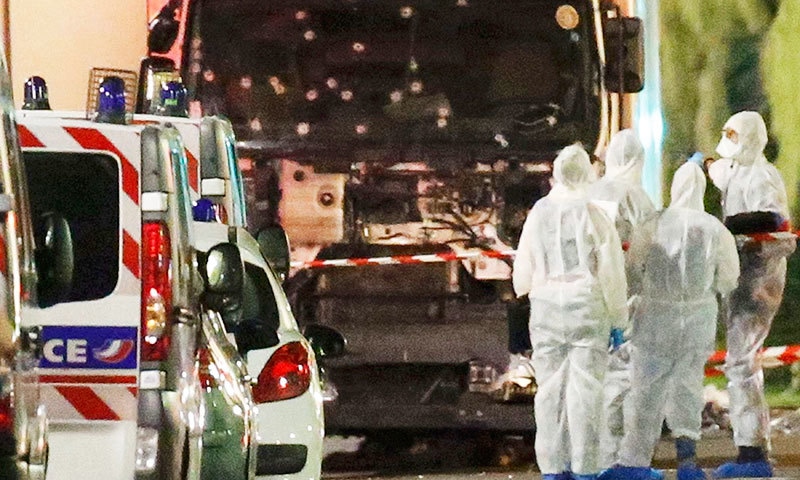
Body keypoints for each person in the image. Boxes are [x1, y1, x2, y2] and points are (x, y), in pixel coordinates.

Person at [599, 162, 740, 480]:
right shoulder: (715, 229)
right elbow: (729, 279)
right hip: (698, 318)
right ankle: (687, 463)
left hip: (656, 317)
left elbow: (633, 270)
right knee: (688, 387)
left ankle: (634, 462)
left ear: (674, 187)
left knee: (645, 390)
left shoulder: (654, 223)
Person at [513, 144, 628, 480]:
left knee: (549, 391)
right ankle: (585, 467)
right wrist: (618, 318)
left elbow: (523, 267)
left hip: (547, 308)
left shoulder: (539, 211)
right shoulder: (594, 214)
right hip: (586, 309)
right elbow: (610, 270)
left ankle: (553, 467)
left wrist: (528, 288)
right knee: (586, 391)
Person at [706, 111, 796, 479]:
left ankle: (752, 452)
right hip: (741, 278)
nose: (727, 138)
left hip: (759, 280)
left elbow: (772, 221)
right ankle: (753, 447)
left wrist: (728, 227)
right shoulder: (735, 171)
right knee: (742, 359)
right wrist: (702, 164)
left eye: (732, 133)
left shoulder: (762, 176)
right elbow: (717, 169)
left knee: (742, 361)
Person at [588, 129, 656, 469]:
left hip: (590, 297)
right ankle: (620, 461)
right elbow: (648, 252)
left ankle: (594, 457)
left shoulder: (593, 192)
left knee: (593, 379)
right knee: (624, 379)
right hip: (628, 296)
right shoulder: (638, 198)